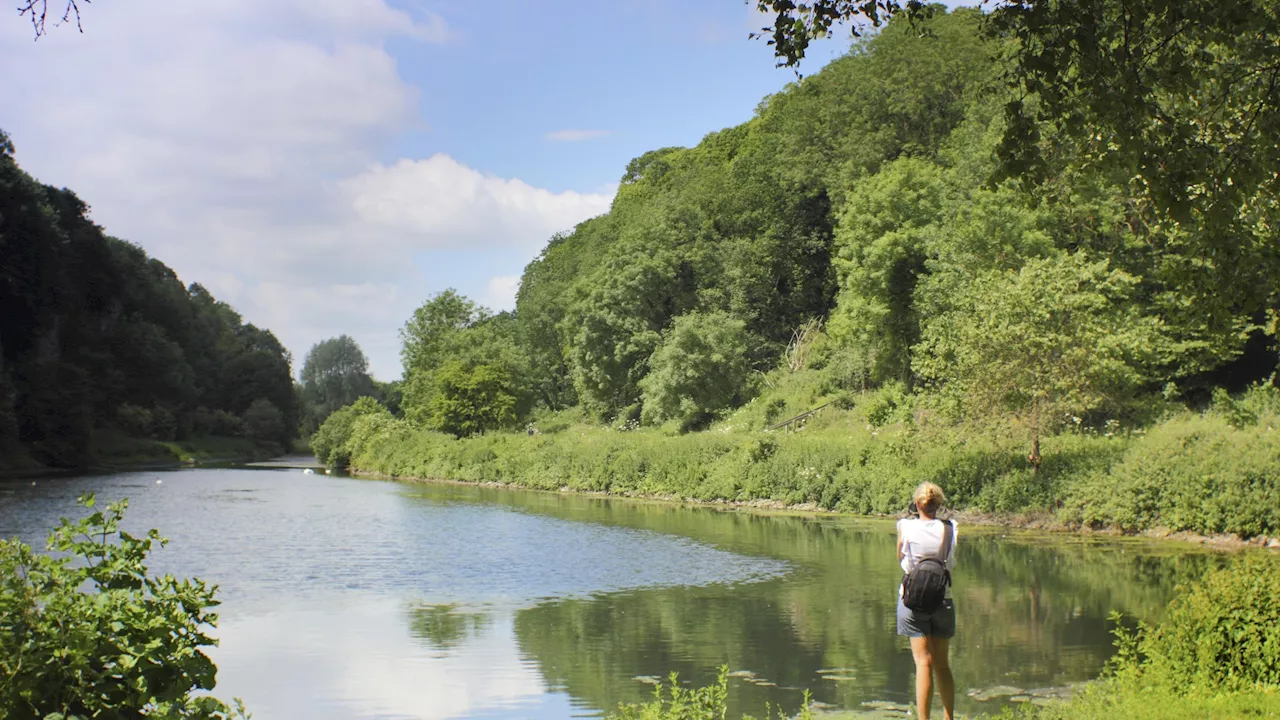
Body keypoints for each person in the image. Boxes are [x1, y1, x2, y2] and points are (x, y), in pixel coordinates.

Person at [896, 481, 956, 720]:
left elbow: (900, 556)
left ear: (916, 504)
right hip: (943, 600)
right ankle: (949, 717)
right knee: (942, 664)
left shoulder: (905, 526)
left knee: (923, 663)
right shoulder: (952, 528)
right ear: (938, 505)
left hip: (912, 601)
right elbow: (951, 562)